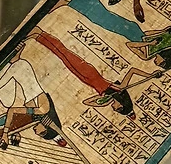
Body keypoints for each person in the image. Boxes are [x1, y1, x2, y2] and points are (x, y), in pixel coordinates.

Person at [28, 29, 157, 117]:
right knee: (63, 52)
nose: (114, 108)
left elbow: (87, 102)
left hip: (84, 78)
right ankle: (40, 34)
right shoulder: (119, 88)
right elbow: (133, 71)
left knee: (62, 55)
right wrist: (150, 75)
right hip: (89, 72)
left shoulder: (106, 99)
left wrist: (104, 100)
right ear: (122, 104)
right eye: (117, 108)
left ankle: (39, 36)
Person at [64, 0, 171, 71]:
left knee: (99, 17)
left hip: (124, 31)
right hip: (130, 28)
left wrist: (148, 44)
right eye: (162, 64)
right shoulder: (157, 46)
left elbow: (129, 45)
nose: (158, 64)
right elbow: (148, 33)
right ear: (164, 58)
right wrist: (163, 31)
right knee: (100, 16)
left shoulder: (146, 55)